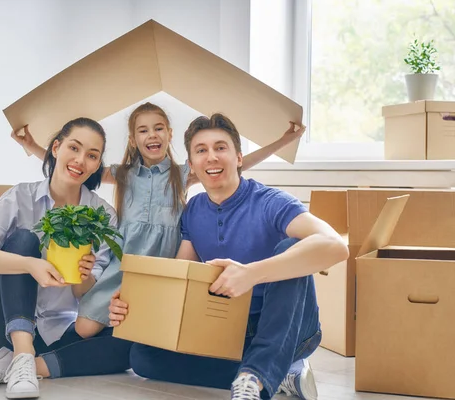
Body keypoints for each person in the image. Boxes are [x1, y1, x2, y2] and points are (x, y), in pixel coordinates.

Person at [13, 103, 306, 341]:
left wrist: (283, 141)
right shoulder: (124, 173)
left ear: (169, 134)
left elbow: (238, 163)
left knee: (146, 327)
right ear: (133, 140)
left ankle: (128, 337)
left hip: (163, 261)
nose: (151, 134)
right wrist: (34, 145)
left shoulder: (183, 172)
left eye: (158, 128)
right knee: (85, 329)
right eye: (143, 130)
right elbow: (77, 169)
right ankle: (119, 335)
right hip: (125, 261)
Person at [108, 114, 349, 400]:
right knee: (143, 357)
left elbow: (335, 245)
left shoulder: (271, 202)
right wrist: (136, 297)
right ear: (193, 164)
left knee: (291, 246)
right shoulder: (193, 210)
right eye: (201, 151)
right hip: (230, 330)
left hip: (291, 329)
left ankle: (256, 377)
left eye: (220, 148)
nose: (211, 157)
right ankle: (278, 372)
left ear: (238, 157)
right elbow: (180, 273)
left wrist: (251, 273)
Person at [0, 117, 133, 399]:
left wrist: (84, 275)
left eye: (92, 156)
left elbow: (87, 296)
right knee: (24, 239)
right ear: (55, 148)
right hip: (0, 317)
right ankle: (23, 353)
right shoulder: (21, 196)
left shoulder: (103, 216)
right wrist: (29, 263)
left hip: (63, 331)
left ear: (97, 165)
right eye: (74, 148)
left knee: (130, 350)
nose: (80, 160)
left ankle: (20, 364)